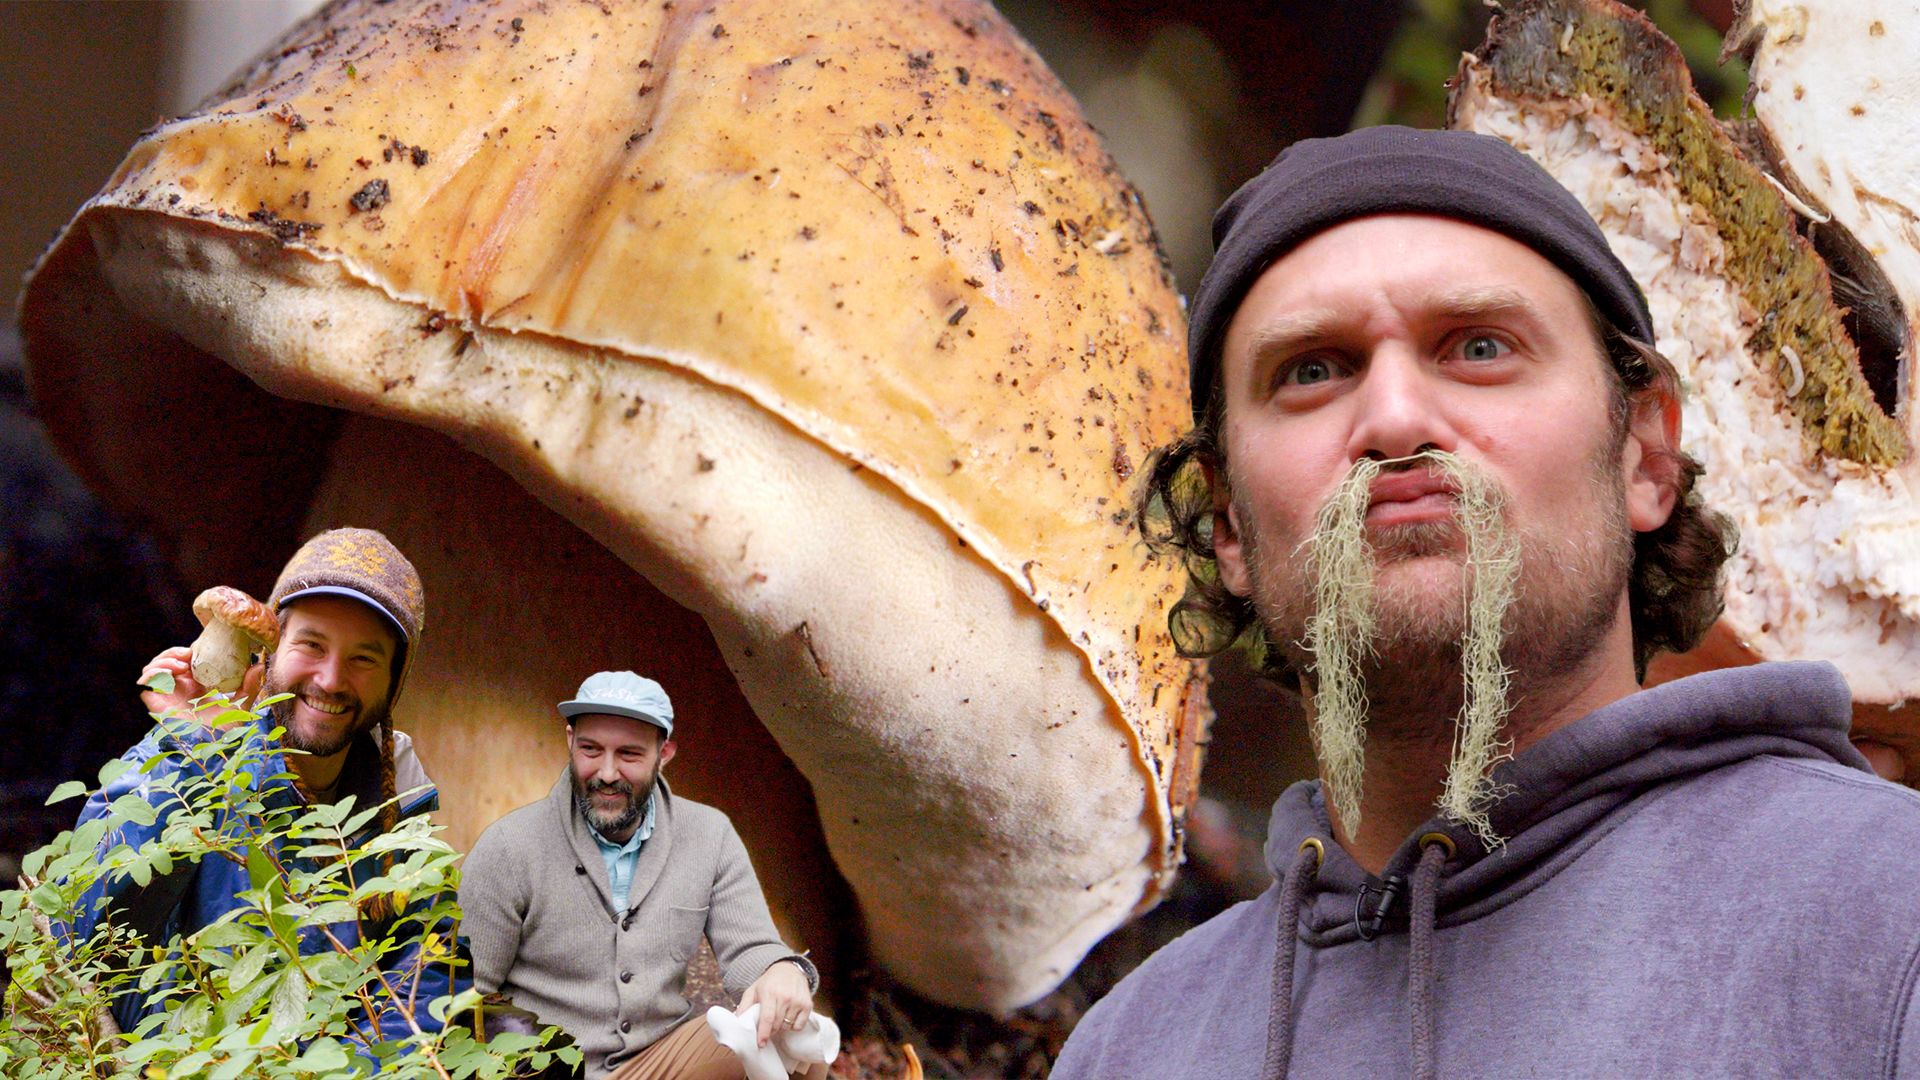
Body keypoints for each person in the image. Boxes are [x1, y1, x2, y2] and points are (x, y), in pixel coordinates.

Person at [1053, 126, 1920, 1078]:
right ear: (1225, 524)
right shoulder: (1129, 1051)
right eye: (1313, 370)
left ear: (1645, 454)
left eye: (1477, 347)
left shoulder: (1888, 918)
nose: (1393, 420)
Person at [71, 526, 457, 1043]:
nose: (331, 680)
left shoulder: (398, 805)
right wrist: (193, 748)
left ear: (394, 681)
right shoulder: (180, 763)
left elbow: (428, 973)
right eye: (311, 644)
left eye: (364, 658)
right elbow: (91, 940)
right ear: (268, 651)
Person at [459, 671, 823, 1080]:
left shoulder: (709, 834)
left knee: (794, 1041)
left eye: (629, 754)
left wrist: (784, 970)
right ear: (569, 741)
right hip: (545, 1069)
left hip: (660, 1062)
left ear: (664, 754)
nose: (608, 773)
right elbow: (462, 994)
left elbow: (750, 950)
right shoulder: (509, 846)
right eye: (591, 749)